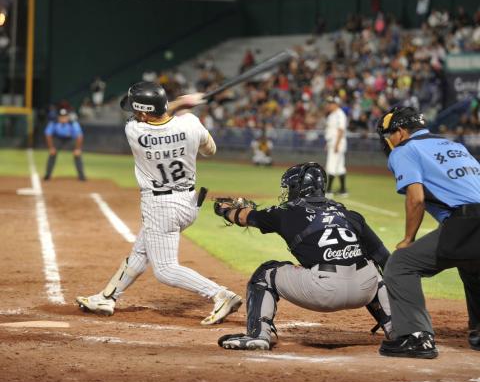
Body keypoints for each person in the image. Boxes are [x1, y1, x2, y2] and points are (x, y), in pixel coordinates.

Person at [76, 81, 242, 325]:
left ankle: (220, 294)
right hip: (188, 203)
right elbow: (210, 150)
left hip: (160, 206)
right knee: (141, 251)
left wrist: (181, 102)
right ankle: (107, 297)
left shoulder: (135, 131)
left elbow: (159, 114)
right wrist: (187, 109)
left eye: (136, 109)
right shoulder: (189, 123)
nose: (134, 114)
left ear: (143, 112)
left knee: (164, 270)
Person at [214, 162, 392, 350]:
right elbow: (386, 260)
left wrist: (225, 210)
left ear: (296, 187)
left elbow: (243, 217)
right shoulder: (349, 214)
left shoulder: (286, 212)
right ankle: (399, 329)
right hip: (365, 289)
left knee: (265, 273)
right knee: (373, 268)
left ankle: (258, 335)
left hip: (324, 291)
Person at [376, 106, 480, 359]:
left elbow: (416, 199)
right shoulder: (454, 146)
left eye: (389, 134)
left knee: (400, 264)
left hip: (467, 222)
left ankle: (415, 337)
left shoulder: (405, 149)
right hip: (469, 222)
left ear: (400, 132)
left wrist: (408, 239)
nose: (388, 140)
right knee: (472, 264)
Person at [43, 107, 86, 181]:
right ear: (58, 117)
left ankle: (81, 176)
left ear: (68, 117)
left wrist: (77, 149)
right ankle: (48, 175)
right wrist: (51, 147)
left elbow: (79, 136)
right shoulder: (54, 122)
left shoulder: (73, 123)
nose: (63, 119)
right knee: (52, 154)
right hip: (58, 139)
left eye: (65, 117)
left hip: (70, 139)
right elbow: (48, 135)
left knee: (77, 155)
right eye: (61, 117)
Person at [324, 96, 348, 197]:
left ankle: (328, 191)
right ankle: (343, 190)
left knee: (331, 165)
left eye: (331, 103)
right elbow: (331, 131)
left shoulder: (340, 114)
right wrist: (327, 143)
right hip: (333, 142)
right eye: (328, 103)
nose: (328, 105)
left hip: (337, 142)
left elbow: (341, 130)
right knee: (339, 167)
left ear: (336, 104)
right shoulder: (332, 115)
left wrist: (337, 144)